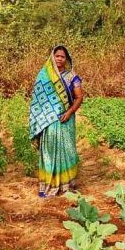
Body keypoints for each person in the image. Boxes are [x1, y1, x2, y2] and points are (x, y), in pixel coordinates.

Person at [28, 45, 84, 197]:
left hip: (65, 120)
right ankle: (49, 185)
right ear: (52, 57)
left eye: (62, 57)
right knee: (49, 152)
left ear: (67, 59)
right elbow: (37, 100)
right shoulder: (44, 75)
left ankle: (66, 185)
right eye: (57, 56)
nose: (59, 59)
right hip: (48, 121)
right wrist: (40, 119)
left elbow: (79, 97)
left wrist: (69, 112)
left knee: (67, 151)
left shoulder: (72, 76)